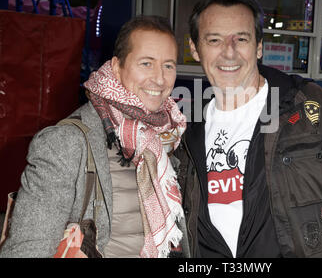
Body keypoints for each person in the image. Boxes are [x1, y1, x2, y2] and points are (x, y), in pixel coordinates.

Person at [175, 0, 322, 258]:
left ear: (259, 46)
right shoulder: (185, 127)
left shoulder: (309, 105)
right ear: (194, 48)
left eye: (241, 39)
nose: (229, 53)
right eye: (214, 40)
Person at [0, 16, 189, 258]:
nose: (160, 78)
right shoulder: (65, 143)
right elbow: (28, 249)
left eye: (168, 65)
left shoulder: (169, 135)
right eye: (146, 63)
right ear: (116, 68)